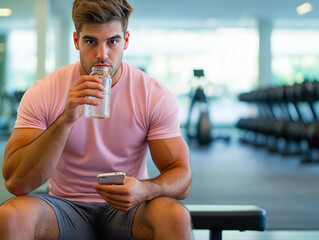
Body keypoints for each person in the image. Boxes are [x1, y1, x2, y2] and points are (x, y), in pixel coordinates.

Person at [0, 0, 193, 239]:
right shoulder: (44, 91)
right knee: (10, 215)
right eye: (91, 41)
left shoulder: (152, 94)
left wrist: (146, 189)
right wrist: (66, 120)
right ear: (76, 41)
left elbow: (182, 177)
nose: (102, 55)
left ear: (127, 40)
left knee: (175, 215)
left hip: (129, 208)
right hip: (64, 206)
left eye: (113, 41)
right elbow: (16, 182)